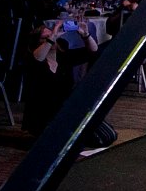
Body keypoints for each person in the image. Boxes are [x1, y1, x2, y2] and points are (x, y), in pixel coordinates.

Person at [21, 19, 116, 154]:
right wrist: (53, 36)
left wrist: (85, 35)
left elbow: (93, 51)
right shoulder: (34, 60)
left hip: (67, 111)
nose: (51, 39)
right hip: (44, 113)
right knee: (59, 144)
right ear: (37, 43)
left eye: (52, 36)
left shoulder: (63, 56)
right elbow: (37, 57)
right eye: (45, 38)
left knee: (108, 136)